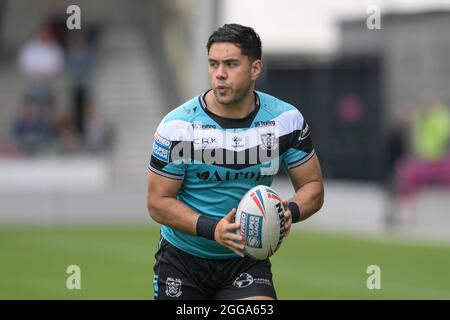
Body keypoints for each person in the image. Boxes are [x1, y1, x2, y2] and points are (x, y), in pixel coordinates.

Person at [147, 24, 324, 300]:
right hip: (183, 261)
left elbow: (313, 186)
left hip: (246, 260)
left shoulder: (285, 121)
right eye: (214, 64)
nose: (220, 74)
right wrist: (213, 228)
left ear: (255, 69)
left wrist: (290, 210)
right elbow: (157, 202)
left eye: (231, 64)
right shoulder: (178, 126)